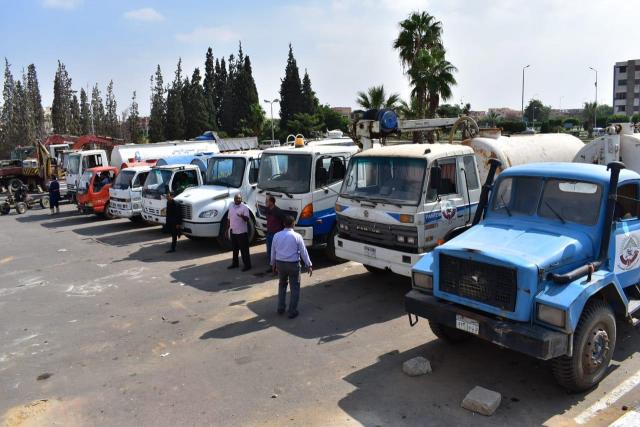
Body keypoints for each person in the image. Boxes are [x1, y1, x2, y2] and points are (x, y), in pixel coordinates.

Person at [271, 215, 312, 319]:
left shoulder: (276, 235)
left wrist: (273, 264)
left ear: (284, 224)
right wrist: (309, 264)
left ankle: (281, 308)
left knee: (282, 285)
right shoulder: (297, 236)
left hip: (280, 264)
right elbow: (303, 252)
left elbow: (273, 251)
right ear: (293, 224)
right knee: (295, 288)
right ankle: (292, 311)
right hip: (293, 265)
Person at [227, 193, 252, 271]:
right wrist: (228, 227)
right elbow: (229, 218)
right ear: (234, 199)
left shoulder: (244, 208)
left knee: (244, 250)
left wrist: (242, 216)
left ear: (241, 199)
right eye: (236, 198)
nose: (238, 199)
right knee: (234, 249)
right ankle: (235, 264)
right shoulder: (231, 206)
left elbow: (247, 219)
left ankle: (247, 265)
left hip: (242, 232)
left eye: (239, 198)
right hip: (233, 231)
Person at [264, 196, 284, 272]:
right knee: (269, 251)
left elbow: (284, 221)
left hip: (276, 234)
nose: (265, 202)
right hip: (269, 233)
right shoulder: (268, 209)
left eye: (267, 201)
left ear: (272, 202)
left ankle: (278, 268)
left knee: (276, 251)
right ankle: (272, 266)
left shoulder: (278, 211)